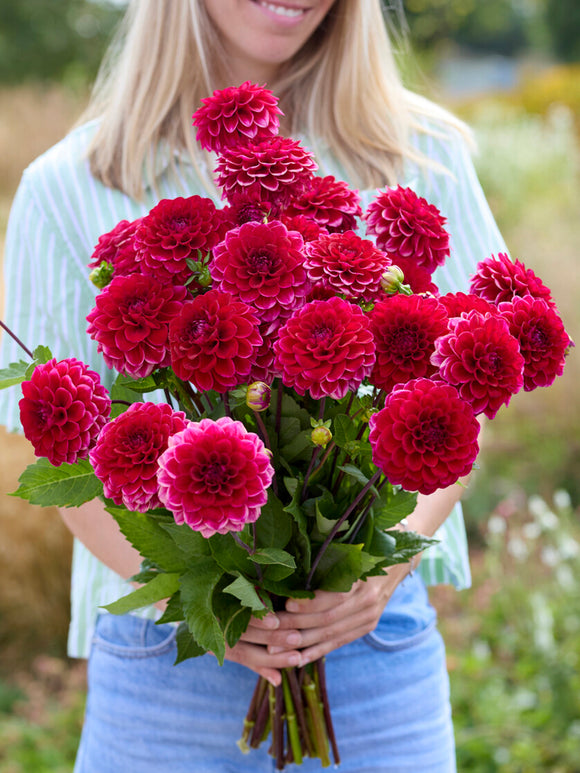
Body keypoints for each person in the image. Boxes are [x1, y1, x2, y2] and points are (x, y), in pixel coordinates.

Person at [0, 1, 507, 770]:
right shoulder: (69, 184)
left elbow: (470, 394)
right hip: (170, 653)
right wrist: (198, 598)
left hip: (369, 641)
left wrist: (379, 577)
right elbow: (62, 446)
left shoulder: (423, 153)